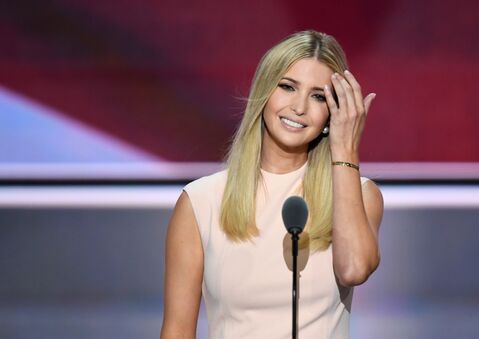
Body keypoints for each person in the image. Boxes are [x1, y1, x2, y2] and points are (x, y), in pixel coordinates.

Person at [160, 30, 383, 339]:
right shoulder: (201, 201)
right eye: (288, 87)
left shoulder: (359, 194)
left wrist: (345, 151)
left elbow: (354, 269)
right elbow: (177, 331)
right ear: (265, 91)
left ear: (333, 112)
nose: (299, 107)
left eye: (318, 96)